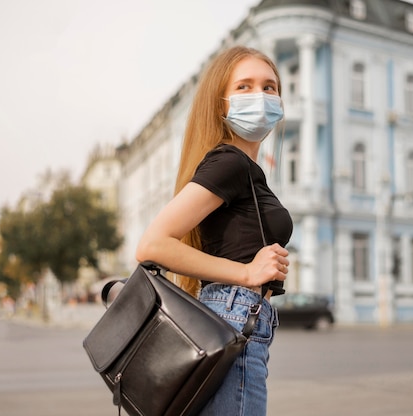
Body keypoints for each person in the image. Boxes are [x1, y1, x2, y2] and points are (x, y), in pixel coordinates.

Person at [135, 45, 293, 415]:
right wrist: (247, 272)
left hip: (237, 319)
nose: (261, 95)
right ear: (221, 104)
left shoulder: (244, 170)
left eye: (270, 87)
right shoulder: (230, 163)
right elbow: (152, 245)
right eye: (245, 87)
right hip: (234, 317)